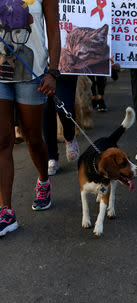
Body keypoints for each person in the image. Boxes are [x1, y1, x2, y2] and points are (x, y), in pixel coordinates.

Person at [0, 0, 60, 236]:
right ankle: (6, 211)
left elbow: (54, 30)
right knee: (3, 141)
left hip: (32, 71)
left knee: (33, 138)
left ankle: (43, 180)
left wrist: (53, 72)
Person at [43, 75, 80, 175]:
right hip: (42, 67)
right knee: (46, 111)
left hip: (65, 70)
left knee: (65, 108)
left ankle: (70, 137)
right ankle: (52, 157)